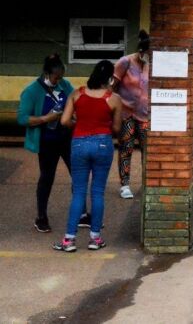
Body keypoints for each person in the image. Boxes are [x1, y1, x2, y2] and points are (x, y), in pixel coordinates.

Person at [54, 60, 123, 252]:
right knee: (98, 191)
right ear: (110, 78)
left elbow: (64, 120)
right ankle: (95, 238)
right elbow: (117, 128)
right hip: (103, 143)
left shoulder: (77, 93)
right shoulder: (114, 99)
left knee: (78, 192)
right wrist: (104, 127)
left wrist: (79, 125)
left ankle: (69, 240)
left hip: (79, 143)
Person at [17, 54, 89, 233]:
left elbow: (75, 100)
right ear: (47, 73)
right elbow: (22, 118)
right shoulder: (32, 91)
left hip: (67, 138)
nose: (59, 80)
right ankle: (41, 217)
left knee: (78, 174)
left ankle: (82, 213)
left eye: (61, 76)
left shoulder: (64, 85)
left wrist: (74, 113)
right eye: (56, 77)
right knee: (47, 178)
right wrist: (46, 118)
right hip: (47, 142)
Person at [112, 31, 150, 199]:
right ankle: (125, 184)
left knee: (147, 150)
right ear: (141, 51)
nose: (150, 57)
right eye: (148, 54)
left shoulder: (153, 65)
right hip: (126, 113)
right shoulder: (125, 62)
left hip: (145, 115)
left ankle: (148, 183)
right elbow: (112, 87)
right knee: (126, 149)